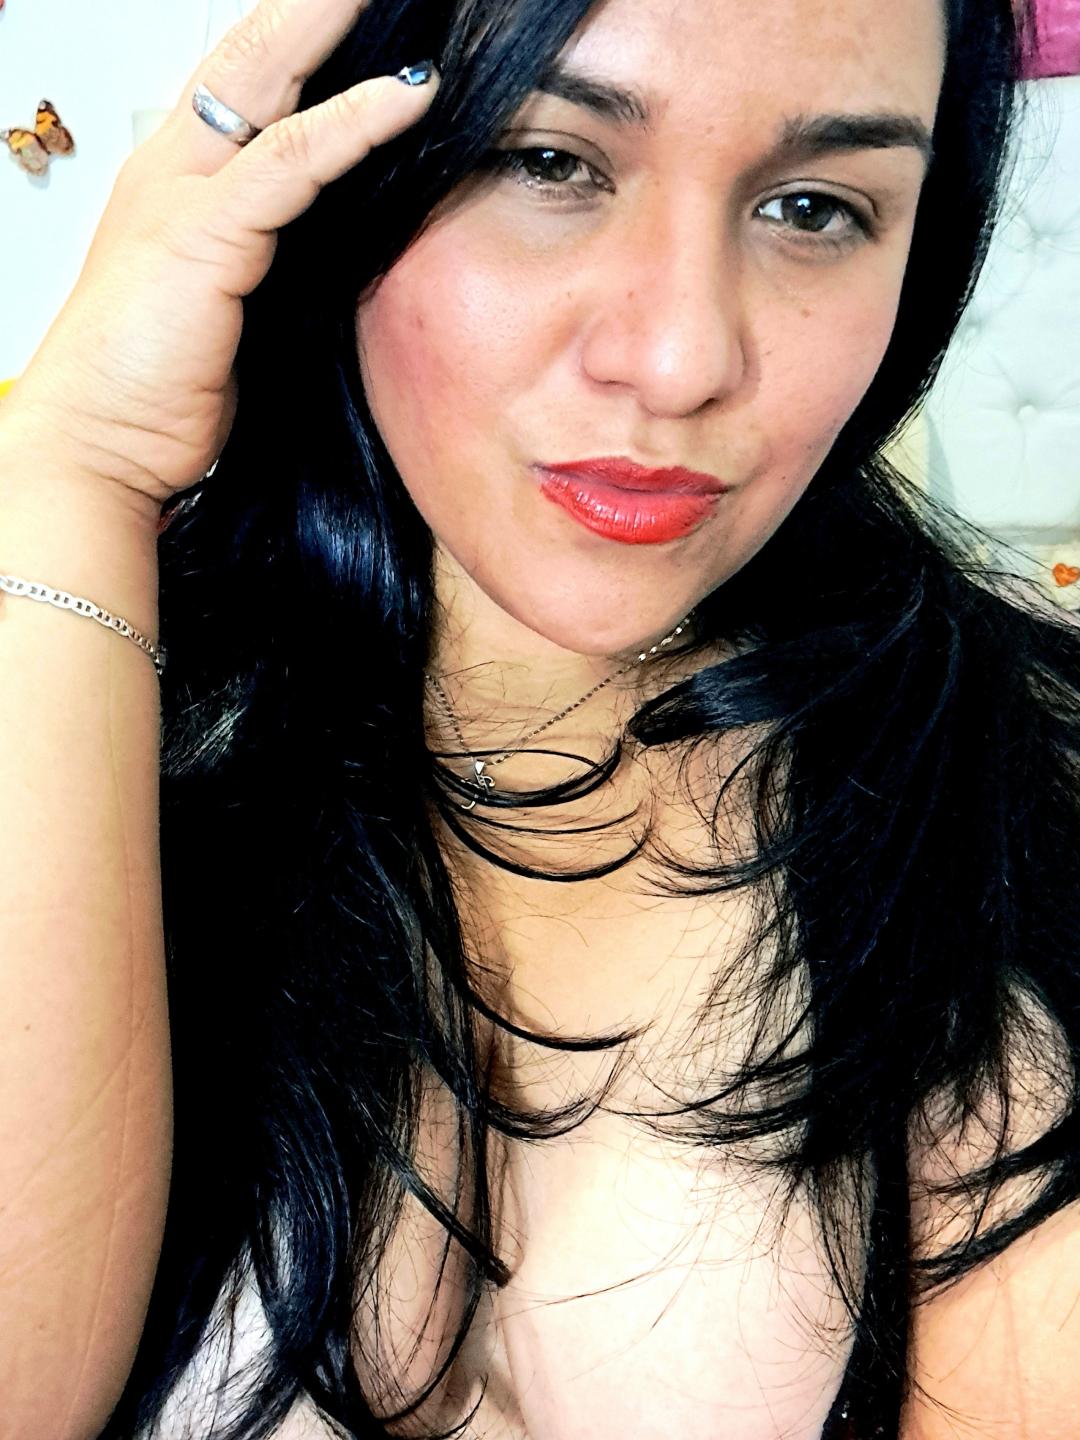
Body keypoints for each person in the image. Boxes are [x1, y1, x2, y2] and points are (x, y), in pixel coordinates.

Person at [1, 0, 1078, 1435]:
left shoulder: (1018, 815)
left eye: (816, 208)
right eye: (548, 162)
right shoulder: (78, 701)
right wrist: (78, 465)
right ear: (341, 166)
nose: (682, 358)